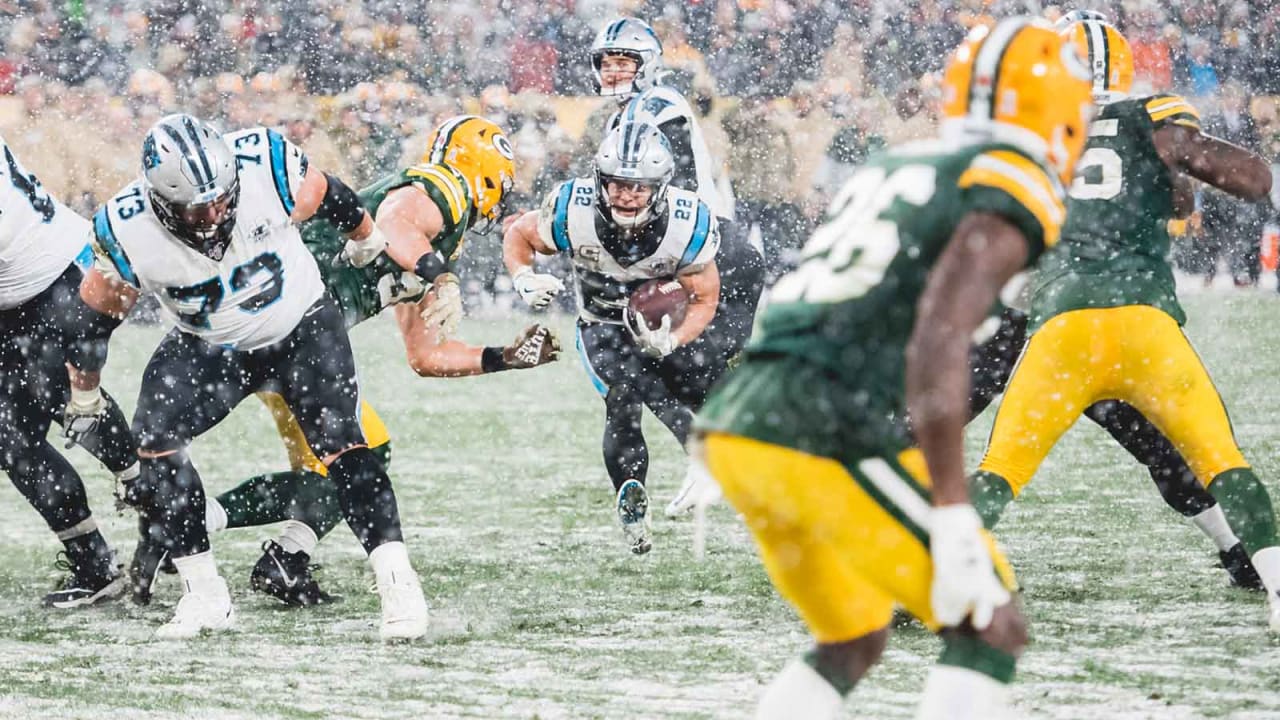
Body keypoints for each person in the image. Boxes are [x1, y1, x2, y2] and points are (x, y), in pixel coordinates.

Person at [695, 19, 1093, 718]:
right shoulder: (1010, 181)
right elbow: (940, 337)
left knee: (852, 637)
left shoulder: (897, 167)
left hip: (739, 418)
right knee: (991, 623)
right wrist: (952, 507)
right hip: (820, 427)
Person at [132, 116, 561, 608]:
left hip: (295, 345)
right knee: (360, 456)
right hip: (286, 330)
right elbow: (393, 221)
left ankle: (272, 553)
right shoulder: (443, 191)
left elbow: (425, 354)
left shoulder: (429, 238)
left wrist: (503, 357)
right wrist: (440, 276)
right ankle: (195, 526)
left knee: (337, 467)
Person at [71, 114, 434, 640]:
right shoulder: (125, 228)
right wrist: (84, 389)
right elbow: (97, 316)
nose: (216, 214)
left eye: (222, 198)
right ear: (160, 202)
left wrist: (367, 238)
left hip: (301, 325)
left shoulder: (263, 162)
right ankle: (205, 596)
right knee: (153, 438)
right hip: (212, 343)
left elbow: (329, 193)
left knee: (344, 444)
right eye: (200, 207)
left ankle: (400, 585)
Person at [970, 18, 1280, 631]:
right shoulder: (1148, 117)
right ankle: (1251, 557)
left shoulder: (1030, 131)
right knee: (1190, 451)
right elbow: (1225, 186)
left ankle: (920, 561)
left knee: (978, 450)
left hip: (1041, 315)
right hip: (1119, 314)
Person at [503, 122, 724, 555]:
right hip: (600, 325)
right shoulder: (573, 208)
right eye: (617, 184)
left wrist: (673, 339)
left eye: (638, 187)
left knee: (687, 390)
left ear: (660, 188)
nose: (626, 196)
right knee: (623, 397)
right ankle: (632, 497)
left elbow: (705, 297)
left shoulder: (686, 222)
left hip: (660, 326)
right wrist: (523, 276)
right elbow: (520, 235)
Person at [589, 17, 765, 515]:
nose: (614, 71)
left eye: (624, 61)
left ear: (647, 66)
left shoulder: (659, 106)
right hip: (684, 251)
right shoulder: (623, 118)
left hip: (707, 254)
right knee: (642, 367)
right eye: (606, 62)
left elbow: (673, 187)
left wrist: (647, 260)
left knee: (669, 368)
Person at [0, 135, 139, 608]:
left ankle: (159, 513)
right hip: (46, 274)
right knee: (16, 434)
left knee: (63, 409)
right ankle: (103, 556)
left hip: (55, 283)